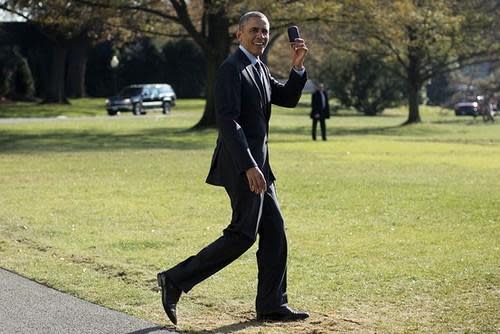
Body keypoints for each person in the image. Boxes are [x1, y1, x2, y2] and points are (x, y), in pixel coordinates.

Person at [156, 11, 309, 325]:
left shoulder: (259, 67)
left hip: (262, 168)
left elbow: (287, 98)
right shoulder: (230, 69)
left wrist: (297, 67)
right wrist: (250, 166)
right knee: (242, 234)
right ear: (239, 34)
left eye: (264, 31)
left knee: (275, 232)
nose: (260, 36)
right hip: (242, 167)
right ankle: (174, 280)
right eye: (254, 30)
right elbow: (228, 121)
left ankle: (271, 304)